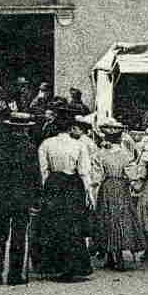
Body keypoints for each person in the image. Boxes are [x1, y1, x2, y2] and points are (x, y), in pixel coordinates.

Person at [34, 106, 94, 281]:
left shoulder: (46, 144)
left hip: (54, 185)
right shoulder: (79, 145)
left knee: (53, 224)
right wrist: (89, 194)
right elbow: (84, 172)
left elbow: (43, 171)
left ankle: (55, 266)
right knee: (73, 225)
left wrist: (43, 192)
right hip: (73, 185)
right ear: (70, 128)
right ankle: (74, 267)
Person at [0, 109, 42, 286]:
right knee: (19, 235)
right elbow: (35, 176)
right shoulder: (30, 148)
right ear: (25, 129)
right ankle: (14, 274)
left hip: (0, 198)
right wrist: (36, 198)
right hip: (21, 199)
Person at [90, 117, 146, 270]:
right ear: (120, 138)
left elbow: (96, 177)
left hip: (107, 187)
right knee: (121, 218)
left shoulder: (99, 154)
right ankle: (119, 256)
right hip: (121, 187)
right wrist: (135, 182)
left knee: (106, 218)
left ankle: (109, 255)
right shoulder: (125, 154)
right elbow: (133, 174)